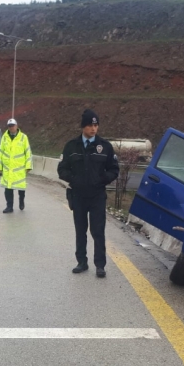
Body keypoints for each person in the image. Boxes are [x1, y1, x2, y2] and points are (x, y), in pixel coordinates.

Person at [57, 109, 119, 278]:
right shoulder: (72, 146)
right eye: (90, 125)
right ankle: (81, 262)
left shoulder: (105, 147)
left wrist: (101, 179)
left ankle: (100, 265)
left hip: (97, 195)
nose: (93, 128)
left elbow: (114, 170)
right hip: (78, 195)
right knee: (80, 229)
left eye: (96, 125)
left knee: (98, 230)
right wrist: (74, 180)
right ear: (83, 126)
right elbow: (62, 169)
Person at [0, 118, 33, 213]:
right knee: (8, 189)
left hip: (19, 168)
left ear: (16, 126)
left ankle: (21, 200)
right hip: (8, 168)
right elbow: (1, 152)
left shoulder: (23, 137)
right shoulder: (4, 137)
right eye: (9, 126)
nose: (11, 128)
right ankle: (9, 207)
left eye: (12, 126)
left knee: (20, 188)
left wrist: (28, 166)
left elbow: (28, 152)